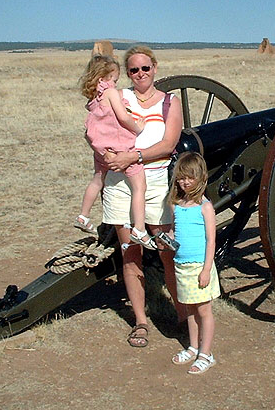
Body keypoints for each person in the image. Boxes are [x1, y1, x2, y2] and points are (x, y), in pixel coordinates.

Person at [100, 46, 185, 348]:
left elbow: (168, 144)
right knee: (130, 254)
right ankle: (140, 321)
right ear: (128, 72)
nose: (140, 75)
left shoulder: (169, 103)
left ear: (155, 68)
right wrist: (111, 157)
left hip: (155, 184)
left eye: (145, 69)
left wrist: (132, 155)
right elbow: (99, 126)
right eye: (134, 70)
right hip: (121, 184)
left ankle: (183, 315)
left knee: (166, 252)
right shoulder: (119, 97)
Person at [76, 55, 154, 249]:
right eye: (114, 79)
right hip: (121, 148)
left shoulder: (93, 99)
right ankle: (139, 229)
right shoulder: (110, 93)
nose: (115, 83)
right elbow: (123, 117)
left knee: (96, 181)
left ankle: (83, 216)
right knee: (139, 186)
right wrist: (138, 127)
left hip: (102, 150)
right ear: (103, 78)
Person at [165, 151, 218, 375]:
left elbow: (211, 240)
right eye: (181, 177)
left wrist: (206, 269)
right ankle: (193, 346)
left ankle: (206, 354)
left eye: (189, 178)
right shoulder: (177, 205)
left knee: (204, 310)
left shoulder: (205, 207)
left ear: (200, 178)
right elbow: (174, 232)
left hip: (199, 267)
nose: (184, 182)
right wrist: (167, 240)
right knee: (188, 309)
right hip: (182, 265)